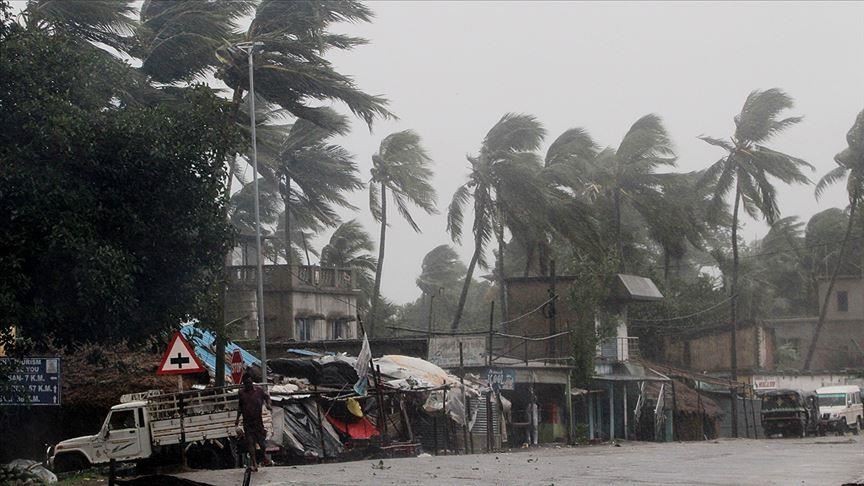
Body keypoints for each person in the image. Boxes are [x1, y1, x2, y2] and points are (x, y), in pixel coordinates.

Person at [235, 373, 272, 471]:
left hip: (258, 421)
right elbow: (240, 406)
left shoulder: (259, 391)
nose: (249, 384)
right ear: (244, 384)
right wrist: (237, 419)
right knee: (250, 443)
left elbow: (267, 397)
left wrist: (268, 405)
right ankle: (255, 464)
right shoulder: (241, 393)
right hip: (247, 422)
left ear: (252, 382)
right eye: (247, 383)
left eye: (250, 382)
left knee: (261, 443)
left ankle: (264, 456)